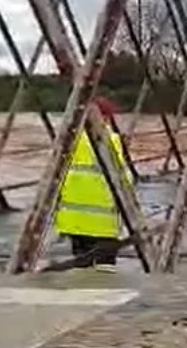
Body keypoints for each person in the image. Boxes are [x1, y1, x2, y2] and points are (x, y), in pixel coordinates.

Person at [55, 97, 133, 269]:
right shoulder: (113, 141)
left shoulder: (68, 140)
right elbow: (125, 181)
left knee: (81, 267)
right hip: (102, 223)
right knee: (105, 272)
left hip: (73, 221)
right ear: (104, 118)